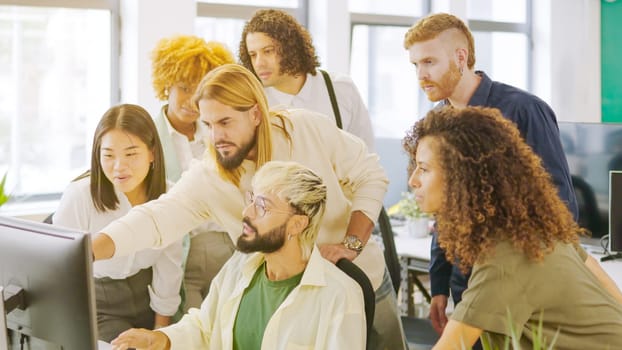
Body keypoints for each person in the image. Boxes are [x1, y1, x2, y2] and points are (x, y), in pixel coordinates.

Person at [91, 63, 406, 349]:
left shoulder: (304, 129)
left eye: (225, 121)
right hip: (276, 291)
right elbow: (156, 218)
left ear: (256, 114)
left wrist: (351, 244)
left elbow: (370, 175)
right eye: (208, 125)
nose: (216, 137)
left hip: (358, 281)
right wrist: (90, 250)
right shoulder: (210, 175)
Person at [403, 12, 579, 336]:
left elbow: (560, 204)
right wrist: (439, 282)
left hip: (519, 287)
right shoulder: (439, 121)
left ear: (461, 56)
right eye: (415, 65)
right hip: (465, 285)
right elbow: (446, 211)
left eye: (429, 62)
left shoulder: (524, 110)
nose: (421, 74)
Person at [403, 106, 622, 349]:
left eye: (423, 169)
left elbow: (451, 346)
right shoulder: (532, 231)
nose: (413, 180)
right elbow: (600, 279)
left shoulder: (505, 259)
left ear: (462, 176)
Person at [110, 161, 367, 349]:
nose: (247, 212)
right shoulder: (241, 265)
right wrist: (161, 339)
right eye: (252, 199)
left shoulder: (340, 296)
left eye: (263, 206)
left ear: (297, 225)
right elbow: (205, 326)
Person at [53, 104, 183, 342]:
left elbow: (168, 269)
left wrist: (159, 334)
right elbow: (61, 273)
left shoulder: (170, 197)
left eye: (131, 154)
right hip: (97, 301)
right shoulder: (79, 196)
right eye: (109, 155)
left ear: (152, 153)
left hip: (148, 297)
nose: (119, 166)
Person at [151, 34, 236, 312]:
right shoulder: (148, 137)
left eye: (199, 91)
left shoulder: (219, 131)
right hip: (183, 255)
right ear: (167, 85)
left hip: (231, 248)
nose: (191, 101)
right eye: (184, 88)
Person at [239, 9, 375, 150]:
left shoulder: (340, 89)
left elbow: (366, 154)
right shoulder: (251, 101)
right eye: (253, 55)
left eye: (268, 51)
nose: (259, 63)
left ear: (291, 48)